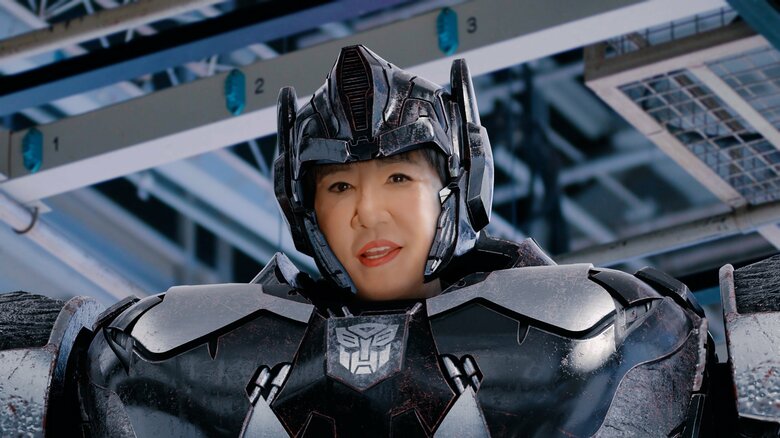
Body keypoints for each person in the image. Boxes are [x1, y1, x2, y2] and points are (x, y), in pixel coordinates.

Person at [2, 45, 774, 437]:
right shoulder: (158, 350)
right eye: (339, 187)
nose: (368, 213)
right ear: (303, 207)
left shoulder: (619, 327)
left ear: (457, 184)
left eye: (398, 178)